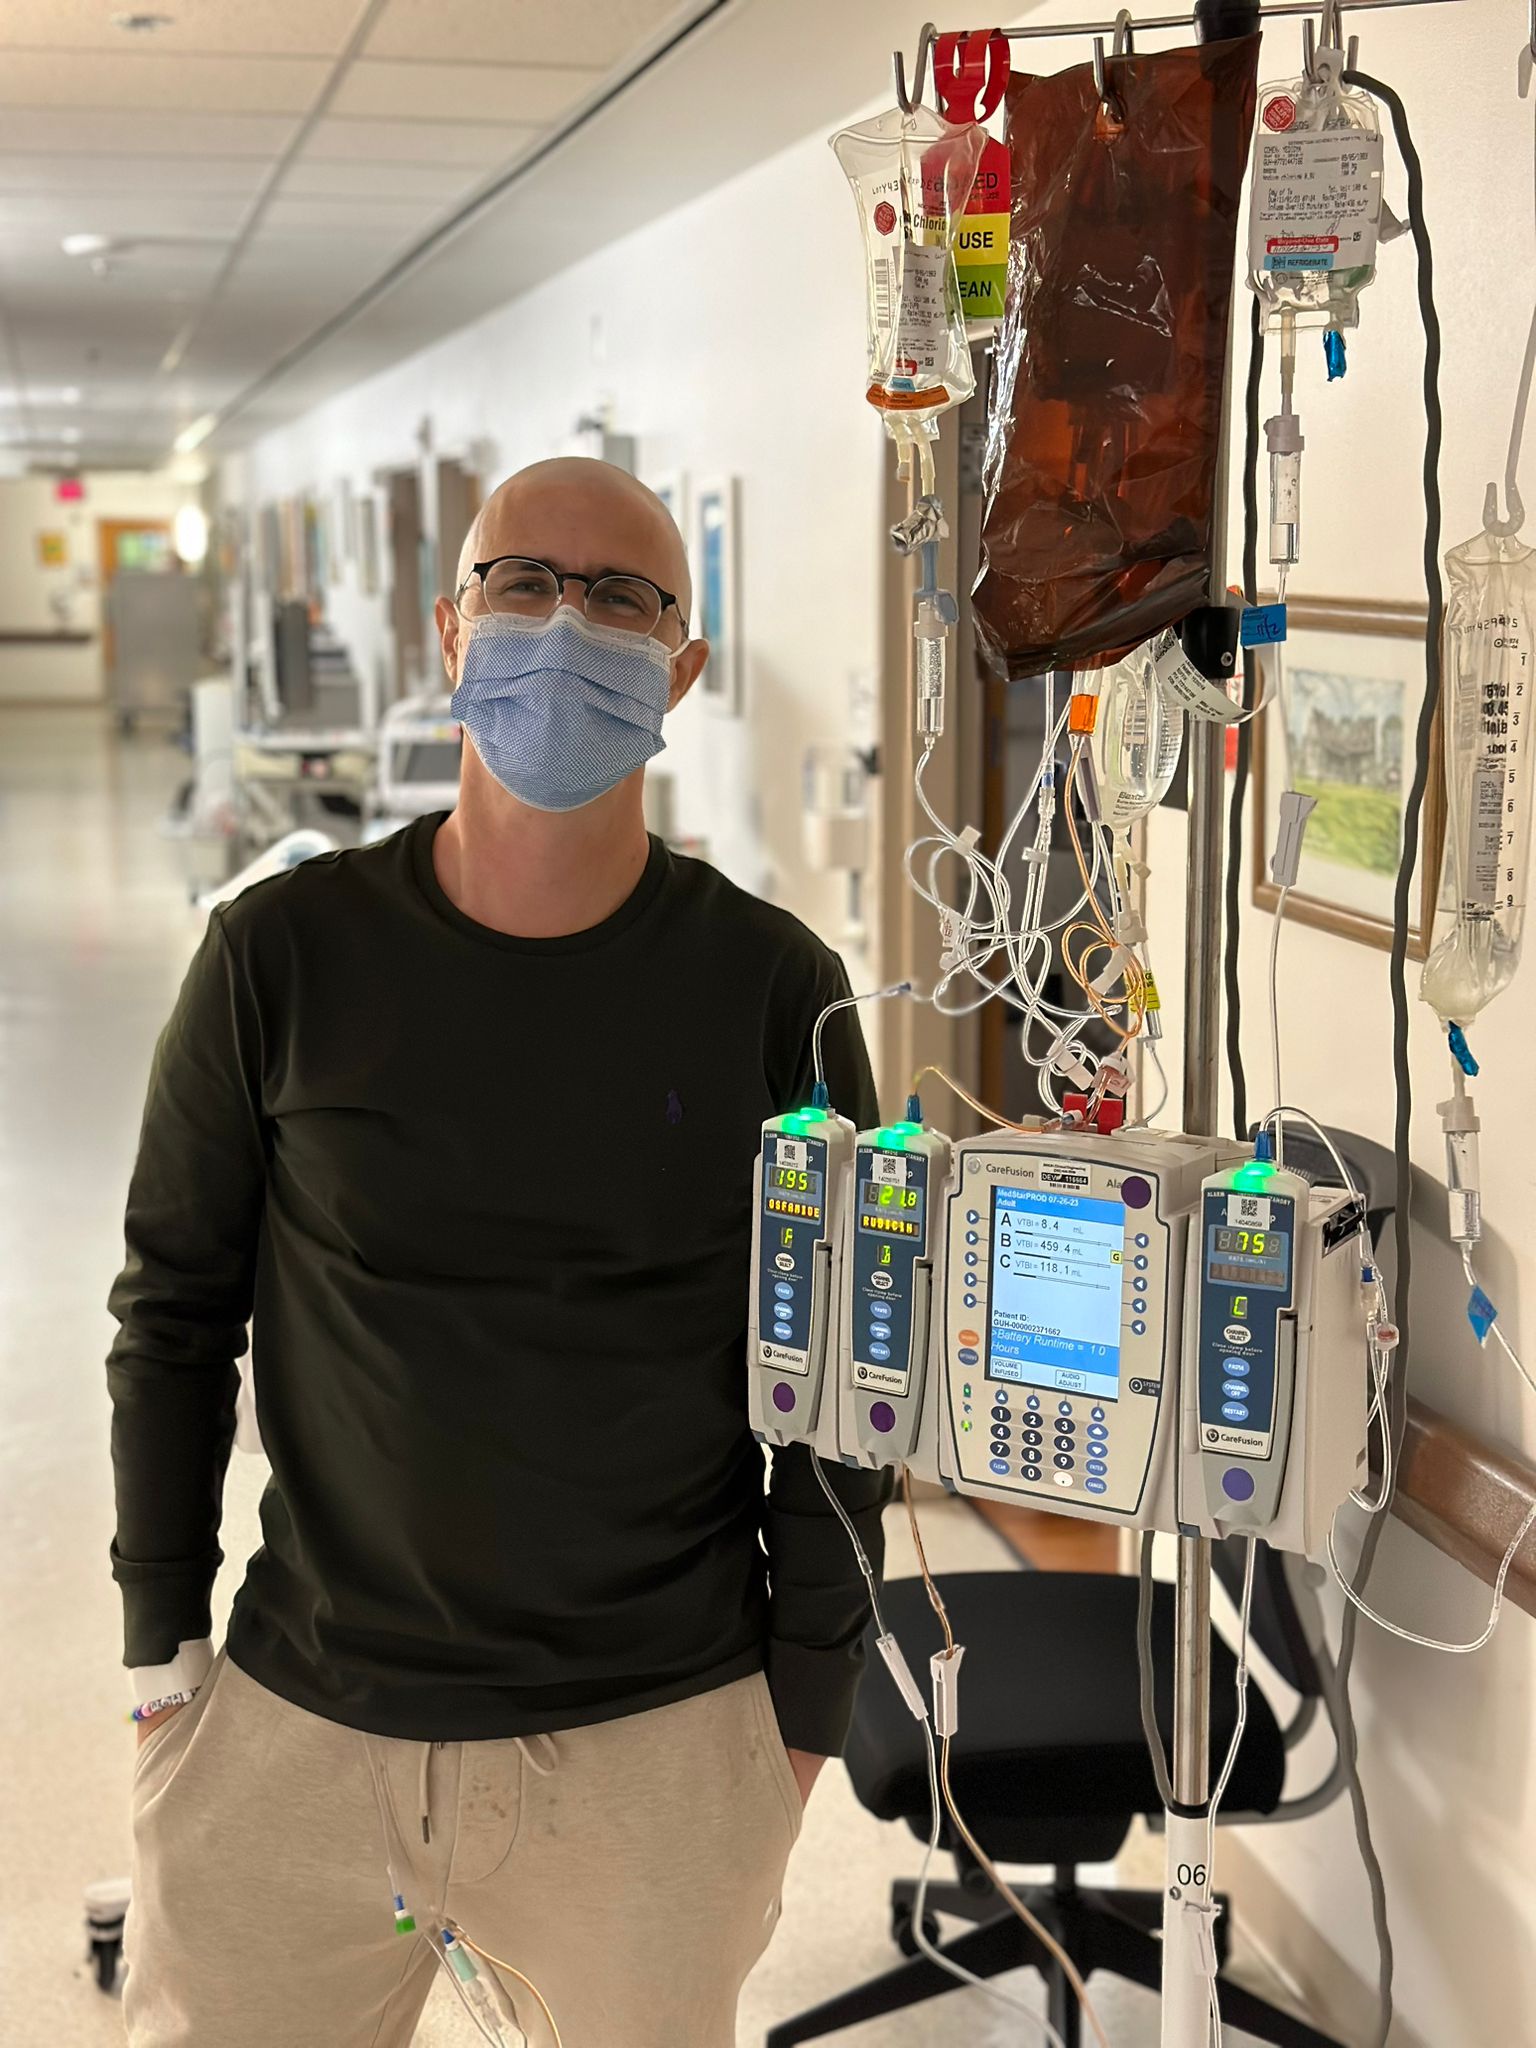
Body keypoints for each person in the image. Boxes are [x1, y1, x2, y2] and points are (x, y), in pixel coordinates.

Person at [108, 457, 889, 2048]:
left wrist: (798, 1721)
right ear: (450, 628)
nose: (562, 621)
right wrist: (158, 1658)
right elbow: (172, 1316)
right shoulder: (280, 958)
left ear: (683, 668)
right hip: (298, 1719)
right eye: (521, 583)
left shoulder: (773, 993)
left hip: (656, 1742)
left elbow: (837, 1378)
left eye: (619, 597)